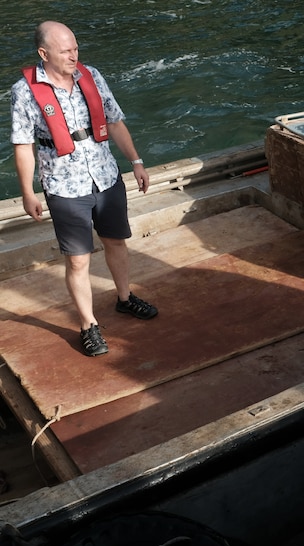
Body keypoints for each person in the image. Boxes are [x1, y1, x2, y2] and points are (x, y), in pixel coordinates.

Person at [11, 21, 157, 358]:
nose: (73, 55)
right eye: (65, 51)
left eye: (75, 48)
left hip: (105, 178)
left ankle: (125, 298)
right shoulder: (24, 92)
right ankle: (88, 325)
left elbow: (115, 120)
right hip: (64, 186)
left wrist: (136, 161)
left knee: (116, 242)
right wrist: (28, 193)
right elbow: (23, 146)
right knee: (77, 261)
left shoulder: (91, 75)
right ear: (43, 53)